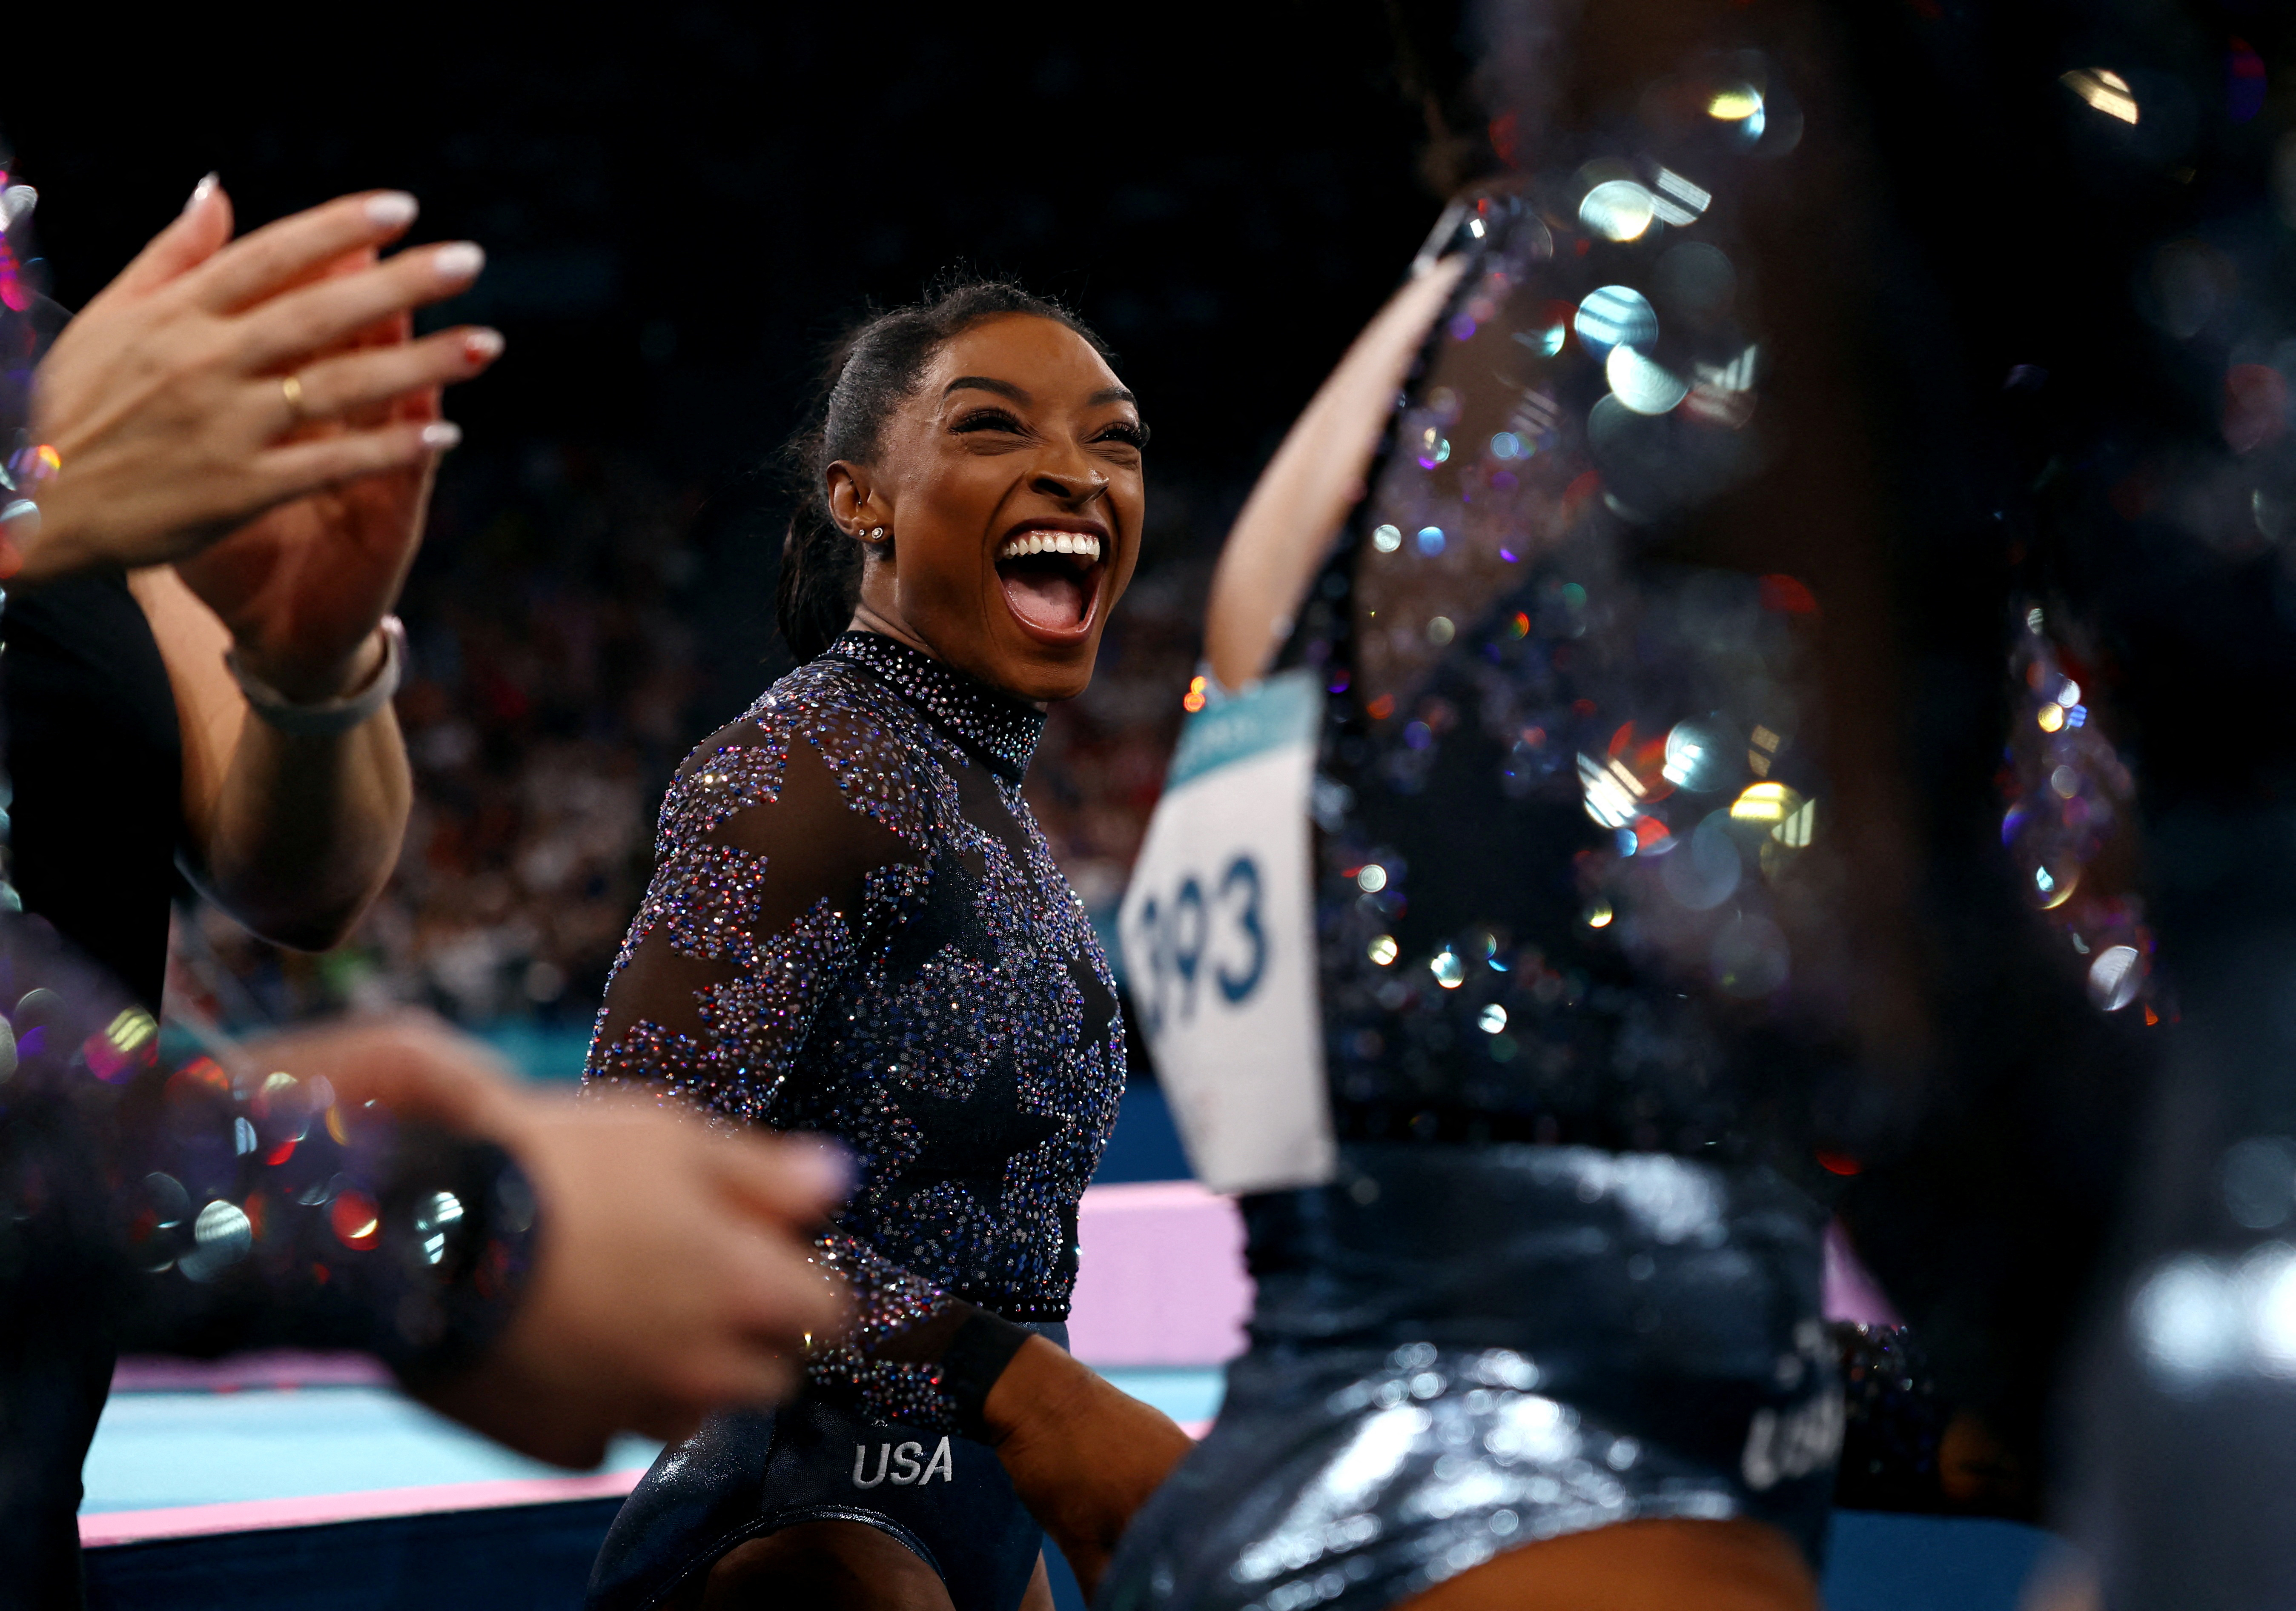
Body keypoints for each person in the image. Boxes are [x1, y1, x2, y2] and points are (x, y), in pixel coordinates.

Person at [0, 172, 852, 1609]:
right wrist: (426, 1225)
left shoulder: (79, 372)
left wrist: (312, 672)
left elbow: (306, 880)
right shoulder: (58, 427)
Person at [581, 278, 1189, 1611]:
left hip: (961, 1515)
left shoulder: (970, 790)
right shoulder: (811, 761)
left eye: (1116, 440)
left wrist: (1016, 1407)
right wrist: (1020, 1386)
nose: (1075, 475)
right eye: (992, 428)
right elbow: (641, 1174)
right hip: (797, 1529)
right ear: (860, 499)